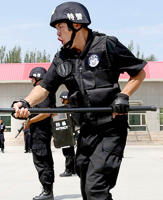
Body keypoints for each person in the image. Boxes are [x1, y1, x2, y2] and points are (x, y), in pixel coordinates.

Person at [12, 2, 146, 200]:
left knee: (96, 188)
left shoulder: (107, 45)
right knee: (84, 179)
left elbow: (138, 73)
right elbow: (44, 87)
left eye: (60, 27)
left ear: (76, 25)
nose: (57, 33)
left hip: (111, 129)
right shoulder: (62, 58)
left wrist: (123, 96)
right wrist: (25, 103)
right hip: (87, 130)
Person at [21, 67, 56, 200]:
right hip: (39, 132)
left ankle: (48, 192)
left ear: (38, 78)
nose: (31, 81)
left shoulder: (44, 92)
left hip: (41, 132)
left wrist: (30, 122)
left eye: (32, 78)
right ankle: (47, 190)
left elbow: (46, 113)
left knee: (43, 161)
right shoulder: (44, 92)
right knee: (42, 160)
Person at [56, 91, 76, 177]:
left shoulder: (64, 109)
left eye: (62, 98)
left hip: (66, 133)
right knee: (72, 152)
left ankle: (68, 170)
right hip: (72, 133)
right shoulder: (74, 108)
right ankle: (74, 169)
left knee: (68, 153)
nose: (61, 100)